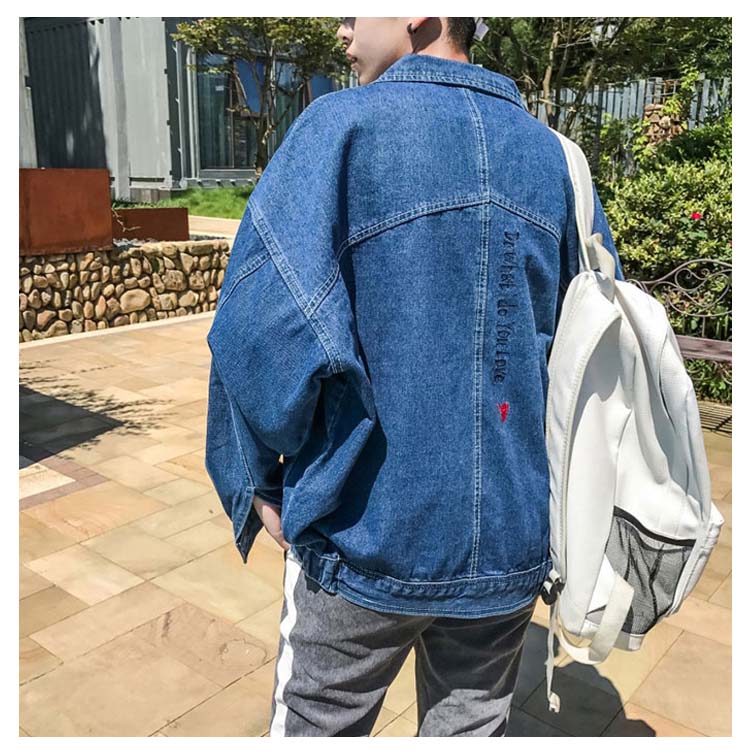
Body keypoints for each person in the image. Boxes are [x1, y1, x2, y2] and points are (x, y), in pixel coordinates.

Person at [204, 16, 625, 737]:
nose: (340, 27)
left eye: (351, 7)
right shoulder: (555, 160)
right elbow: (586, 346)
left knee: (317, 727)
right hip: (510, 543)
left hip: (364, 531)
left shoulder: (340, 129)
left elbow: (261, 326)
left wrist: (257, 481)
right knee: (471, 733)